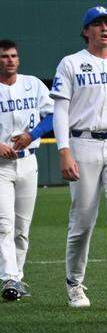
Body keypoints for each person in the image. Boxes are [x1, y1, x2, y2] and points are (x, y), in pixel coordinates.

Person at [51, 6, 107, 310]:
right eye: (97, 24)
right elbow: (60, 110)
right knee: (83, 221)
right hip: (83, 143)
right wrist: (64, 150)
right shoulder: (71, 63)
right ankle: (75, 283)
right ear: (86, 30)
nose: (104, 28)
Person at [0, 39, 53, 301]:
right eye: (4, 56)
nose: (9, 60)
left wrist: (32, 135)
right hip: (0, 167)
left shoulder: (32, 84)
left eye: (13, 55)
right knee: (4, 224)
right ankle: (9, 276)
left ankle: (16, 279)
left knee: (22, 227)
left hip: (28, 161)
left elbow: (53, 115)